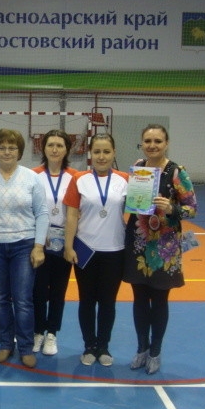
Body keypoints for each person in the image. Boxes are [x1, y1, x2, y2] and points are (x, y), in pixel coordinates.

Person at [0, 129, 49, 368]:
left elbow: (42, 213)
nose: (7, 152)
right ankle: (6, 344)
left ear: (19, 151)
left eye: (12, 148)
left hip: (24, 245)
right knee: (1, 298)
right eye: (2, 148)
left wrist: (38, 246)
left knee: (23, 299)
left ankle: (25, 347)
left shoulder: (32, 178)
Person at [124, 124, 197, 375]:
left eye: (157, 141)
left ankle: (155, 351)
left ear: (166, 143)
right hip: (139, 242)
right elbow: (132, 201)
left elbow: (192, 208)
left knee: (159, 300)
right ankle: (141, 349)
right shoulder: (138, 167)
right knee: (139, 299)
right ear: (142, 143)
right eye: (147, 141)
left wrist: (171, 208)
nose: (152, 145)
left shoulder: (177, 172)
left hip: (165, 247)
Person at [63, 133, 129, 366]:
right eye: (97, 152)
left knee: (108, 302)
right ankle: (89, 345)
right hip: (86, 250)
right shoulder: (79, 179)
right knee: (87, 300)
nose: (102, 156)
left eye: (106, 152)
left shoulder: (125, 179)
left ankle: (103, 346)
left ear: (114, 153)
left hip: (115, 250)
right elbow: (71, 215)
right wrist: (68, 246)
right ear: (91, 153)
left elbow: (138, 211)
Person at [31, 130, 77, 356]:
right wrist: (38, 236)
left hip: (64, 242)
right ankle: (37, 331)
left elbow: (77, 211)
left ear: (67, 149)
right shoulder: (33, 175)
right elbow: (28, 209)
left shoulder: (76, 177)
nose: (55, 149)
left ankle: (52, 333)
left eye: (60, 145)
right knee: (38, 290)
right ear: (43, 148)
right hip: (40, 242)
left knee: (59, 290)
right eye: (50, 145)